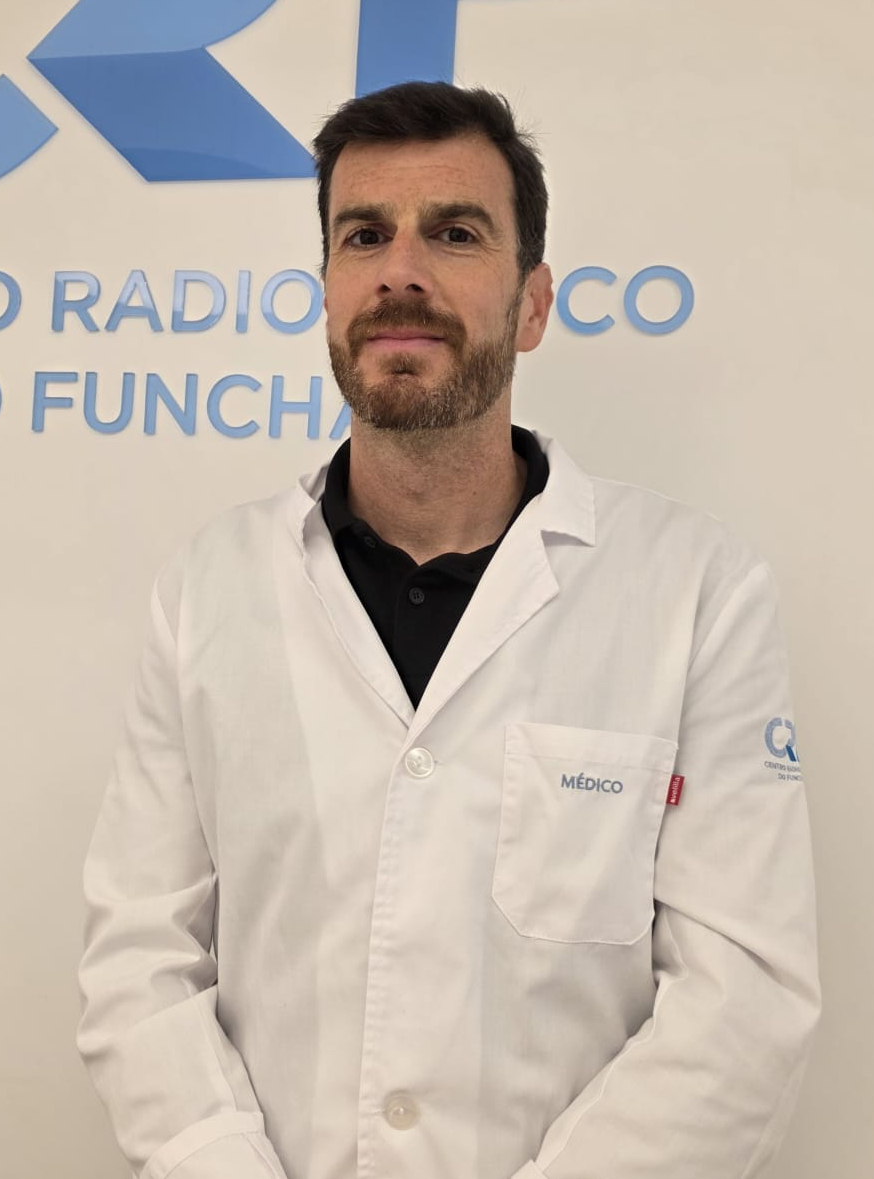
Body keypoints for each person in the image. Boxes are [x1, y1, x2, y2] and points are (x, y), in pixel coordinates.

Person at [76, 81, 820, 1179]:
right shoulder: (208, 588)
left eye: (456, 233)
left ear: (532, 304)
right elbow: (139, 960)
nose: (400, 271)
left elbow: (743, 1002)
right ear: (327, 292)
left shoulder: (695, 591)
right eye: (363, 235)